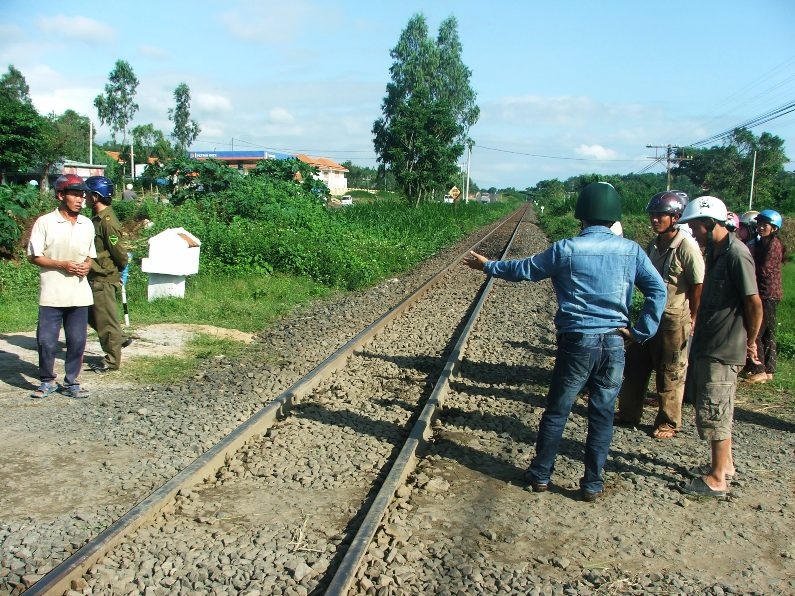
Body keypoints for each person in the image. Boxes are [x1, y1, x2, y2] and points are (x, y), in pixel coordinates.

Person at [464, 182, 666, 501]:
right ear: (613, 216)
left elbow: (525, 270)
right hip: (614, 343)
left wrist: (488, 266)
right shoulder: (631, 251)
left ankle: (541, 475)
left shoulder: (567, 249)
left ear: (581, 215)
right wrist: (641, 331)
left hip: (577, 340)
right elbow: (658, 290)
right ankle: (592, 485)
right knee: (601, 412)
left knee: (559, 409)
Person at [677, 195, 762, 498]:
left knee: (715, 410)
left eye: (695, 227)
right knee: (719, 407)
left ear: (710, 224)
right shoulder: (716, 251)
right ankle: (725, 466)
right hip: (712, 342)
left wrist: (751, 342)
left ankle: (716, 479)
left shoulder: (737, 254)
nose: (693, 233)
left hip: (724, 347)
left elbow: (754, 302)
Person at [616, 191, 704, 438]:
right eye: (653, 215)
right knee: (635, 365)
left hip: (674, 319)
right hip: (650, 316)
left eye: (660, 215)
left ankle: (668, 422)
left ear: (675, 217)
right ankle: (628, 413)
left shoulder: (686, 246)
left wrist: (694, 317)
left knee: (670, 372)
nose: (655, 219)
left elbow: (698, 285)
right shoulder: (654, 245)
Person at [27, 174, 96, 399]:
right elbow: (34, 256)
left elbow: (90, 256)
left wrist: (87, 266)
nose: (80, 199)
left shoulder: (87, 224)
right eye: (75, 195)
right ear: (60, 195)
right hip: (52, 293)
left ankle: (71, 382)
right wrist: (61, 264)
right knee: (46, 340)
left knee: (77, 340)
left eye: (82, 195)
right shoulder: (45, 222)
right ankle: (47, 380)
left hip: (79, 293)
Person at [85, 176, 129, 373]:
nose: (83, 197)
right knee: (90, 316)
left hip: (103, 277)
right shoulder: (96, 219)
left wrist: (118, 271)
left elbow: (119, 252)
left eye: (87, 193)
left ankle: (112, 360)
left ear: (95, 197)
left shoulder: (107, 221)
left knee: (105, 321)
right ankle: (118, 339)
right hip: (95, 275)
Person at [742, 209, 785, 383]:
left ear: (774, 228)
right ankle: (769, 370)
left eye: (764, 225)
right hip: (770, 294)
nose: (760, 227)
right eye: (759, 224)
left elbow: (765, 269)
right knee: (768, 333)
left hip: (767, 293)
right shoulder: (763, 243)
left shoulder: (773, 245)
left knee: (758, 331)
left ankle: (759, 368)